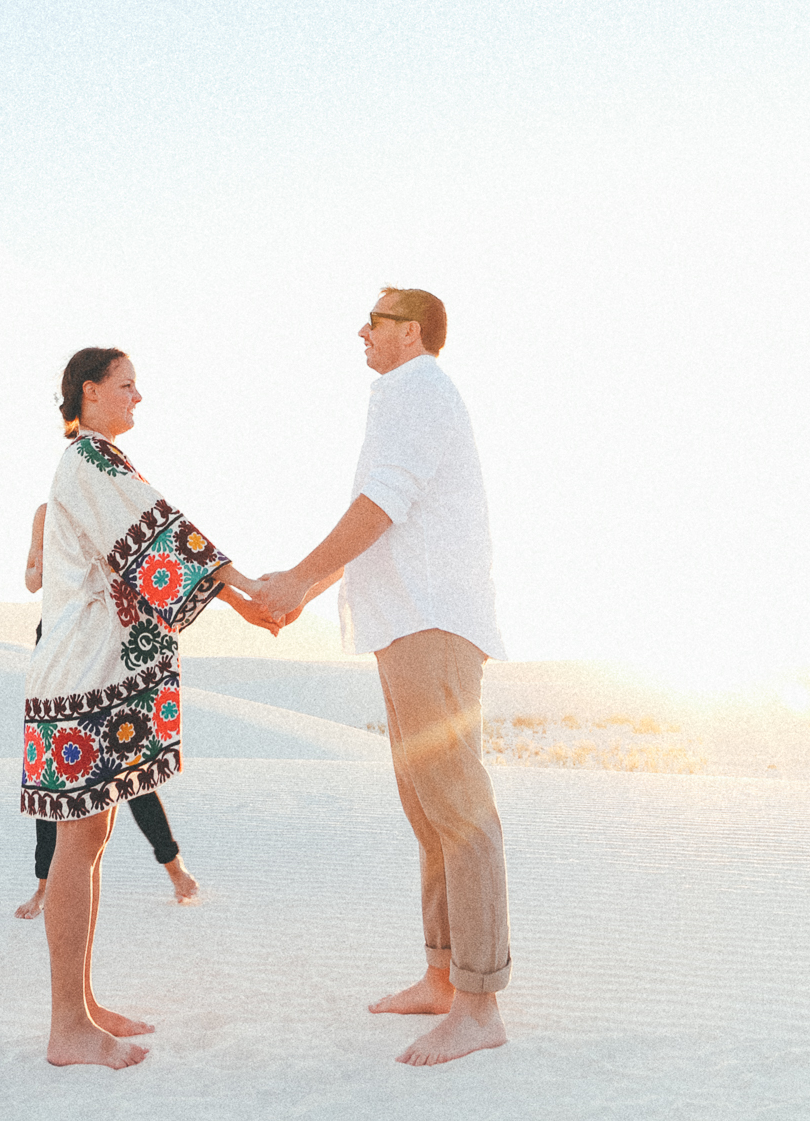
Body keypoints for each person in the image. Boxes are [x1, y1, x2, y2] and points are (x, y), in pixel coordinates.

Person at [251, 288, 510, 1069]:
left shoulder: (417, 388)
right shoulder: (403, 394)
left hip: (430, 621)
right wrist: (307, 587)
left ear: (412, 333)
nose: (359, 331)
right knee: (427, 807)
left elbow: (381, 504)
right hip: (407, 624)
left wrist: (297, 580)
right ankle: (443, 977)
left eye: (374, 321)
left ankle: (478, 1004)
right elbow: (385, 512)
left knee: (458, 810)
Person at [23, 345, 274, 1070]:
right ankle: (67, 1025)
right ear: (90, 391)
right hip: (77, 677)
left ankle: (81, 1002)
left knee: (90, 842)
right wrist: (249, 591)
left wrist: (244, 593)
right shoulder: (89, 462)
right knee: (78, 844)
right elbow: (159, 536)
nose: (139, 397)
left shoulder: (98, 462)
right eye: (126, 385)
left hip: (85, 672)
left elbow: (153, 539)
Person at [14, 501, 199, 916]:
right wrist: (42, 570)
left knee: (129, 763)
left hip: (106, 639)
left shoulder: (104, 507)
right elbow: (30, 579)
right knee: (56, 774)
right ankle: (43, 887)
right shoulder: (44, 512)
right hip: (60, 641)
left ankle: (175, 868)